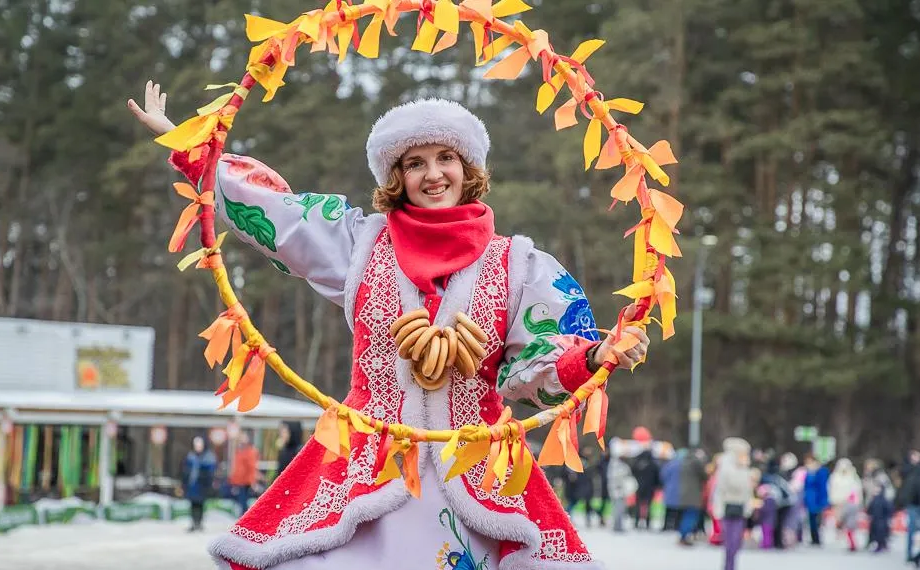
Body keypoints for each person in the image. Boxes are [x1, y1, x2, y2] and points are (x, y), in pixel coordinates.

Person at [130, 85, 651, 569]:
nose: (433, 174)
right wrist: (187, 142)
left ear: (468, 168)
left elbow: (534, 366)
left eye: (446, 158)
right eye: (414, 163)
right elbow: (277, 214)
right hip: (364, 466)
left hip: (477, 474)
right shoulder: (358, 243)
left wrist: (593, 355)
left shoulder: (519, 264)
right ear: (396, 177)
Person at [712, 438, 753, 570]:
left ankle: (731, 565)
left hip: (740, 508)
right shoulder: (725, 469)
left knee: (736, 541)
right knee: (730, 540)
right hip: (727, 507)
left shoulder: (745, 469)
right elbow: (720, 490)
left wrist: (748, 507)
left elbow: (748, 491)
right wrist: (718, 508)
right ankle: (728, 566)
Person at [182, 436, 218, 532]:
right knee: (193, 504)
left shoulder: (208, 458)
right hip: (192, 484)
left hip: (202, 485)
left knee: (200, 504)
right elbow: (186, 471)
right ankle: (194, 523)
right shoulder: (190, 456)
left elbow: (210, 473)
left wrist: (207, 481)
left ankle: (199, 523)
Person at [828, 457, 863, 552]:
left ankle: (851, 543)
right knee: (839, 522)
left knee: (850, 525)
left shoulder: (853, 477)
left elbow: (857, 491)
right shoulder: (835, 477)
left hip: (851, 504)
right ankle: (841, 539)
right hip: (838, 503)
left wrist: (857, 502)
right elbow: (832, 490)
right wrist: (834, 501)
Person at [677, 449, 707, 546]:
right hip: (693, 494)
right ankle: (685, 535)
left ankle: (683, 535)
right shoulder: (696, 463)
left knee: (686, 515)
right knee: (691, 515)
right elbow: (704, 476)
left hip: (684, 493)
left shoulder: (684, 462)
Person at [606, 447, 638, 533]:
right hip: (618, 491)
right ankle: (617, 526)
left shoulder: (617, 465)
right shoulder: (616, 465)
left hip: (619, 491)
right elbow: (617, 478)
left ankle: (618, 525)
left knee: (619, 509)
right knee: (618, 509)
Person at [229, 431, 261, 515]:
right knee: (242, 500)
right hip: (240, 480)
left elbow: (251, 467)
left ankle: (245, 516)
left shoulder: (249, 451)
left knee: (243, 500)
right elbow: (236, 467)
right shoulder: (239, 451)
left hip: (245, 480)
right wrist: (233, 480)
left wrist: (252, 481)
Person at [802, 454, 830, 546]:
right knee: (811, 521)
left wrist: (823, 501)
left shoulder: (821, 472)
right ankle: (813, 538)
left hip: (817, 500)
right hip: (810, 500)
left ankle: (817, 538)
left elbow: (822, 487)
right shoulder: (808, 472)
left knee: (817, 521)